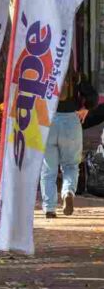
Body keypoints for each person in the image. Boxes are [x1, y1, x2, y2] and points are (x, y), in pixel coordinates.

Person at [40, 68, 98, 218]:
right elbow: (93, 97)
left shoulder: (43, 70)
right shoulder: (77, 76)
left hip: (48, 121)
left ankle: (49, 208)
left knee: (48, 168)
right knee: (71, 165)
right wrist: (86, 108)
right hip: (71, 121)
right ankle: (67, 192)